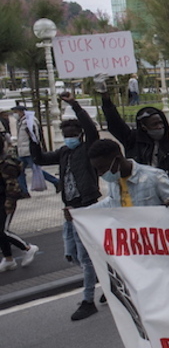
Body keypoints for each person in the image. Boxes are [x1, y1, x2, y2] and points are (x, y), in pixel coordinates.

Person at [80, 138, 169, 348]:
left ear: (116, 159)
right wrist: (82, 214)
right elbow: (111, 206)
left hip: (162, 263)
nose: (100, 174)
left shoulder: (153, 177)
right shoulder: (115, 183)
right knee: (145, 320)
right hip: (135, 263)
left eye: (102, 168)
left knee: (166, 319)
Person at [29, 93, 100, 320]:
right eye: (66, 135)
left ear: (80, 135)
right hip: (68, 211)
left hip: (86, 208)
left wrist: (74, 105)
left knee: (85, 257)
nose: (69, 138)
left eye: (73, 135)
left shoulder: (87, 149)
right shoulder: (64, 153)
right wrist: (33, 137)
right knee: (74, 255)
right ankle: (108, 281)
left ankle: (88, 300)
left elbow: (92, 130)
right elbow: (39, 159)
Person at [99, 82, 169, 194]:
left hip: (167, 192)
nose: (159, 127)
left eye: (161, 123)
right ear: (144, 127)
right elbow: (115, 123)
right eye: (154, 124)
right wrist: (105, 98)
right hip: (138, 192)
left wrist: (164, 187)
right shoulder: (132, 140)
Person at [0, 140, 37, 273]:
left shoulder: (6, 165)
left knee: (2, 231)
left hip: (4, 201)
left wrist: (9, 204)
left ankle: (27, 248)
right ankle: (8, 259)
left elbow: (12, 186)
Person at [13, 105, 59, 196]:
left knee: (36, 170)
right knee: (19, 171)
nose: (15, 114)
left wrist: (34, 148)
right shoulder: (20, 122)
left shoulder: (30, 121)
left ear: (22, 112)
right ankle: (24, 191)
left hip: (29, 151)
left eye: (16, 112)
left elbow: (35, 136)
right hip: (22, 151)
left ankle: (56, 181)